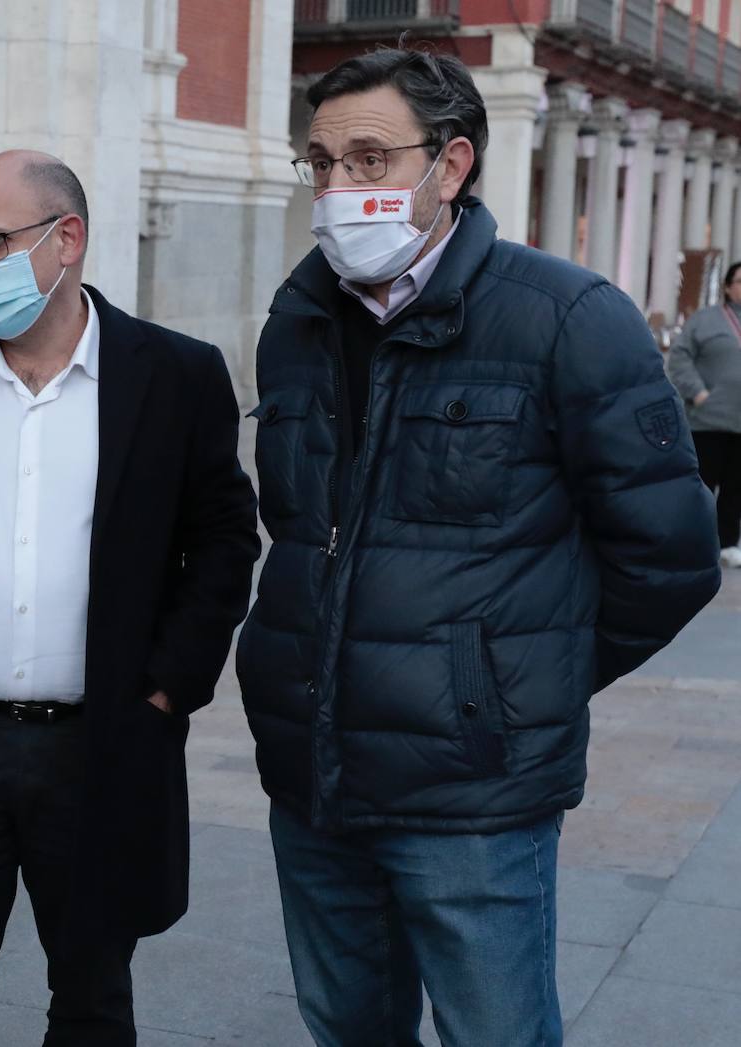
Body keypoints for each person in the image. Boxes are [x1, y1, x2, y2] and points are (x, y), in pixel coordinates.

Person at [236, 48, 721, 1047]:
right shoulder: (298, 322)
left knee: (495, 1033)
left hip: (472, 796)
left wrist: (502, 686)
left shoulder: (567, 318)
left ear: (449, 167)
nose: (338, 189)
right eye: (321, 166)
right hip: (314, 774)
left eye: (370, 160)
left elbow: (671, 556)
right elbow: (298, 531)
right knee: (347, 1027)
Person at [0, 150, 260, 1046]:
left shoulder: (175, 375)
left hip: (101, 743)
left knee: (93, 1003)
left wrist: (166, 689)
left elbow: (222, 538)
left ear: (68, 239)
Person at [668, 260, 741, 568]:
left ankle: (727, 544)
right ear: (727, 286)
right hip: (708, 420)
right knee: (702, 486)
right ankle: (694, 542)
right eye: (740, 281)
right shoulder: (706, 320)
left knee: (736, 489)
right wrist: (698, 393)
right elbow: (679, 357)